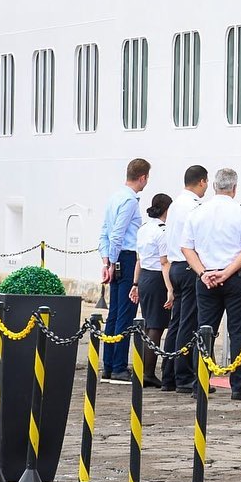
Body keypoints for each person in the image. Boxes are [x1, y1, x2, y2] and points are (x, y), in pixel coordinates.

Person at [181, 168, 241, 400]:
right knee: (238, 332)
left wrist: (203, 272)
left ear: (214, 186)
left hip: (206, 276)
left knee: (205, 329)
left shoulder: (197, 213)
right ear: (234, 188)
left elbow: (186, 247)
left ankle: (201, 382)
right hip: (235, 276)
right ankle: (238, 385)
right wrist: (227, 272)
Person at [98, 158, 151, 383]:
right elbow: (118, 234)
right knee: (126, 313)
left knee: (114, 313)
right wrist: (113, 261)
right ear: (143, 177)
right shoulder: (129, 201)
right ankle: (119, 366)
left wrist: (106, 262)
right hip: (126, 258)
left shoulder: (114, 197)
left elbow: (104, 232)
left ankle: (109, 365)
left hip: (114, 258)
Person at [165, 165, 208, 394]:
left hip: (175, 265)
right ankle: (184, 376)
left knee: (177, 321)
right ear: (201, 181)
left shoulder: (174, 205)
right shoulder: (194, 206)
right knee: (189, 322)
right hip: (190, 266)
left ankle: (169, 374)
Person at [129, 193, 174, 388]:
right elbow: (164, 263)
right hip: (157, 278)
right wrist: (170, 289)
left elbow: (139, 259)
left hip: (145, 276)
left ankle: (143, 369)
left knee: (149, 325)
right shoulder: (162, 230)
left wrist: (135, 283)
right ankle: (148, 372)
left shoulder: (144, 229)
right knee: (156, 326)